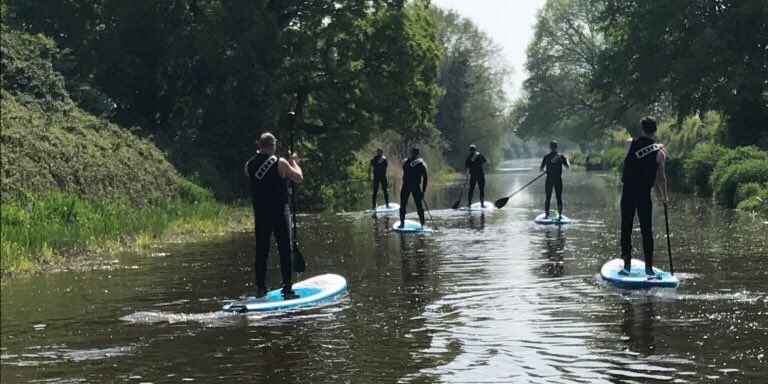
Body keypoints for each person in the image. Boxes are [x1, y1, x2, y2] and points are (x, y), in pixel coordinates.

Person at [244, 132, 304, 297]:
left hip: (261, 213)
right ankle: (287, 286)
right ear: (273, 145)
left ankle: (261, 288)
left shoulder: (249, 165)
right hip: (279, 211)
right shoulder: (280, 162)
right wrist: (294, 162)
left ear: (260, 145)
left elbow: (252, 178)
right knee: (285, 248)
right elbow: (298, 177)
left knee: (262, 250)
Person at [618, 116, 669, 278]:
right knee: (647, 230)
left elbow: (629, 144)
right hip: (644, 194)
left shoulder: (630, 144)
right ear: (655, 130)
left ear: (642, 129)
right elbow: (661, 176)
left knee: (626, 227)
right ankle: (649, 268)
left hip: (628, 192)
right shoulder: (659, 152)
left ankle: (626, 264)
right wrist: (664, 196)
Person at [399, 148, 429, 228]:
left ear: (411, 153)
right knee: (419, 205)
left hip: (406, 185)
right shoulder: (422, 163)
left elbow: (404, 173)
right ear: (418, 153)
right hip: (416, 186)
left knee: (403, 204)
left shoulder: (405, 162)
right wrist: (423, 190)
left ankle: (402, 223)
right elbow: (425, 178)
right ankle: (423, 224)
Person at [540, 141, 569, 219]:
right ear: (556, 147)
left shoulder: (546, 157)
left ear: (550, 147)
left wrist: (545, 171)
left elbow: (541, 169)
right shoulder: (561, 156)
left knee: (548, 197)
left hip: (549, 179)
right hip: (558, 179)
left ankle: (546, 215)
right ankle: (559, 215)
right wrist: (567, 160)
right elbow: (567, 167)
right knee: (559, 197)